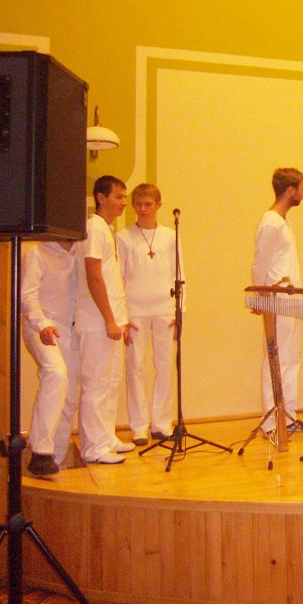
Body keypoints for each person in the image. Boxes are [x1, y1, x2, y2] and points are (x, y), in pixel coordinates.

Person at [74, 175, 134, 464]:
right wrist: (109, 318)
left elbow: (111, 278)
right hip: (96, 319)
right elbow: (94, 275)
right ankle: (93, 447)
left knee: (111, 381)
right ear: (101, 197)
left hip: (113, 318)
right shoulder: (94, 228)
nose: (123, 203)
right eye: (118, 197)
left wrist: (121, 319)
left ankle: (106, 436)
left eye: (124, 197)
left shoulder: (108, 229)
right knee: (97, 382)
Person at [250, 167, 303, 434]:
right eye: (301, 188)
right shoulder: (271, 222)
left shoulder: (284, 222)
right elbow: (260, 262)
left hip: (290, 300)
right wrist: (259, 296)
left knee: (290, 359)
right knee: (276, 359)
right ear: (290, 190)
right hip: (276, 300)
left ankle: (288, 416)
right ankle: (271, 421)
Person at [116, 183, 182, 445]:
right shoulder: (124, 237)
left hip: (165, 309)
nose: (142, 209)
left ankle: (162, 423)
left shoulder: (170, 236)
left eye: (147, 204)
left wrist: (180, 310)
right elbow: (118, 278)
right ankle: (139, 426)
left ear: (158, 205)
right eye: (138, 204)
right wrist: (122, 316)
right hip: (135, 310)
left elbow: (180, 274)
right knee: (135, 367)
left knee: (165, 366)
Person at [20, 240, 77, 475]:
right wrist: (42, 324)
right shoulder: (37, 253)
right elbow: (27, 296)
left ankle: (55, 460)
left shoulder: (79, 254)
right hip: (40, 325)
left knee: (69, 396)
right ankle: (40, 451)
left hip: (70, 330)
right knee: (55, 372)